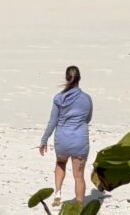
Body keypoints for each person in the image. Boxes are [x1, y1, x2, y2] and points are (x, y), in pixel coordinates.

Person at [39, 65, 93, 208]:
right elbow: (88, 118)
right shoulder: (87, 98)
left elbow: (53, 122)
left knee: (60, 163)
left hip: (62, 139)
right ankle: (79, 205)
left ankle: (58, 193)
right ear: (79, 79)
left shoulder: (59, 98)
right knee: (79, 176)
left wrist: (44, 140)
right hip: (80, 139)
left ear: (66, 78)